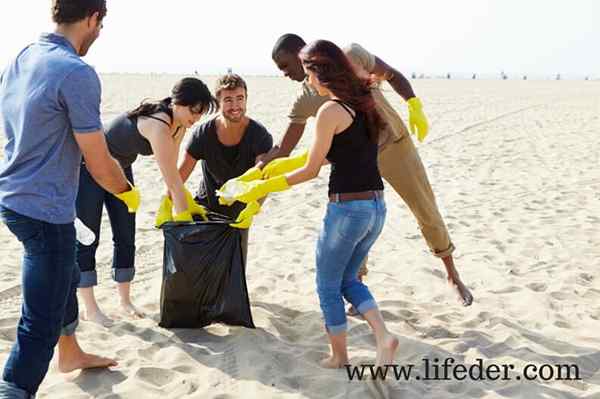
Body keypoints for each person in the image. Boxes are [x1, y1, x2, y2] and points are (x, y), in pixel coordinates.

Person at [222, 39, 398, 368]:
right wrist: (267, 169)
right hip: (376, 207)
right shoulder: (362, 104)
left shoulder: (329, 111)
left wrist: (261, 188)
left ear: (320, 72)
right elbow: (358, 147)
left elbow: (310, 169)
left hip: (347, 210)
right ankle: (384, 337)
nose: (306, 81)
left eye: (307, 74)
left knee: (327, 283)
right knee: (349, 280)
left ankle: (339, 356)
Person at [268, 34, 473, 307]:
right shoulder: (306, 97)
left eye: (285, 66)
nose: (284, 74)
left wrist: (413, 103)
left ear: (301, 54)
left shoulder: (352, 55)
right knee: (356, 219)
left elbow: (391, 75)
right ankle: (358, 287)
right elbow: (285, 146)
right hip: (357, 158)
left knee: (425, 209)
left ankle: (452, 275)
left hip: (395, 145)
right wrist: (259, 168)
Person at [0, 1, 140, 396]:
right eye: (100, 25)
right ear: (94, 19)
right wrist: (127, 192)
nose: (99, 33)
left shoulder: (24, 55)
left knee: (64, 277)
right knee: (39, 320)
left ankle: (71, 352)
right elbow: (99, 162)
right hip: (43, 211)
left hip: (12, 197)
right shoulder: (77, 72)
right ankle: (14, 388)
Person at [76, 77, 217, 325]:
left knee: (125, 234)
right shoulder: (158, 126)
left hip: (120, 169)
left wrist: (178, 201)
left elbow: (171, 173)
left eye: (201, 113)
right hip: (89, 167)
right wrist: (184, 222)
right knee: (89, 236)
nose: (196, 118)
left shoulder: (179, 125)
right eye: (193, 111)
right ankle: (90, 307)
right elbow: (172, 180)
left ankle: (125, 301)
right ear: (178, 102)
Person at [174, 74, 273, 257]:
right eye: (228, 100)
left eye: (240, 98)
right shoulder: (203, 134)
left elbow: (264, 179)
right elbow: (179, 177)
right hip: (206, 212)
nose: (235, 106)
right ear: (218, 102)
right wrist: (169, 202)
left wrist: (253, 208)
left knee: (234, 276)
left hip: (240, 217)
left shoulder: (259, 135)